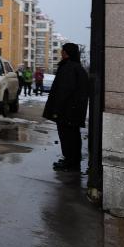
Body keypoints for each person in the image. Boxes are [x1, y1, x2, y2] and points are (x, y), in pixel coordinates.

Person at [42, 43, 89, 172]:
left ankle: (70, 162)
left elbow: (64, 91)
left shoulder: (69, 68)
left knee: (67, 137)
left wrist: (56, 110)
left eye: (62, 50)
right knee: (73, 136)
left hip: (67, 111)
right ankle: (72, 160)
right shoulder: (76, 67)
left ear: (66, 52)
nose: (61, 52)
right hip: (73, 111)